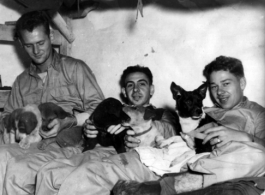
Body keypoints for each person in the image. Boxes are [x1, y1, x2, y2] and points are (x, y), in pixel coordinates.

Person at [0, 10, 105, 194]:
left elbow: (100, 110)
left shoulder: (74, 68)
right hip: (32, 144)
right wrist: (14, 124)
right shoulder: (21, 81)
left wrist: (70, 121)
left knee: (17, 172)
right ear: (21, 44)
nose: (36, 50)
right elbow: (7, 117)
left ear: (51, 35)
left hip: (68, 143)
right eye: (29, 45)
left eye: (41, 43)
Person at [35, 65, 179, 194]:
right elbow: (89, 131)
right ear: (124, 91)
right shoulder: (112, 110)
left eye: (142, 84)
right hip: (98, 151)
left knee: (80, 179)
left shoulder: (161, 113)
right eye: (130, 85)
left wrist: (136, 122)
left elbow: (170, 131)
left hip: (130, 159)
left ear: (151, 89)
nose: (136, 89)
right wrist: (89, 130)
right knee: (48, 173)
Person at [158, 56, 265, 194]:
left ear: (242, 83)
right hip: (197, 156)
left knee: (260, 157)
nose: (219, 92)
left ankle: (184, 179)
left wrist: (244, 136)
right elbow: (173, 129)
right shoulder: (204, 111)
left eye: (226, 84)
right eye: (214, 86)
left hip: (230, 157)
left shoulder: (256, 113)